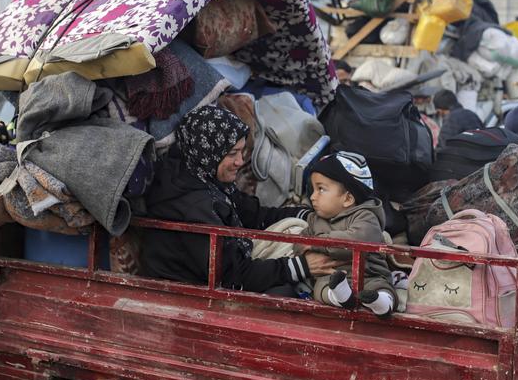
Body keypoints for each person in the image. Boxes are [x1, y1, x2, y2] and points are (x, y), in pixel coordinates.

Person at [140, 106, 343, 296]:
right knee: (285, 291)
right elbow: (231, 276)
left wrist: (312, 215)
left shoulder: (208, 180)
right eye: (231, 154)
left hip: (228, 270)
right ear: (207, 153)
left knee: (302, 228)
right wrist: (303, 266)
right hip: (189, 292)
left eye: (241, 151)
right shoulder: (193, 206)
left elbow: (255, 215)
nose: (240, 161)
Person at [296, 151, 399, 317]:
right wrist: (303, 248)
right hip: (332, 276)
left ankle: (381, 303)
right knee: (320, 288)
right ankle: (340, 298)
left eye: (321, 189)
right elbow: (300, 242)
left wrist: (316, 243)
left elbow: (353, 243)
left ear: (348, 199)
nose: (313, 197)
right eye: (313, 189)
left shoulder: (365, 216)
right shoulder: (315, 219)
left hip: (369, 274)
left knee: (381, 286)